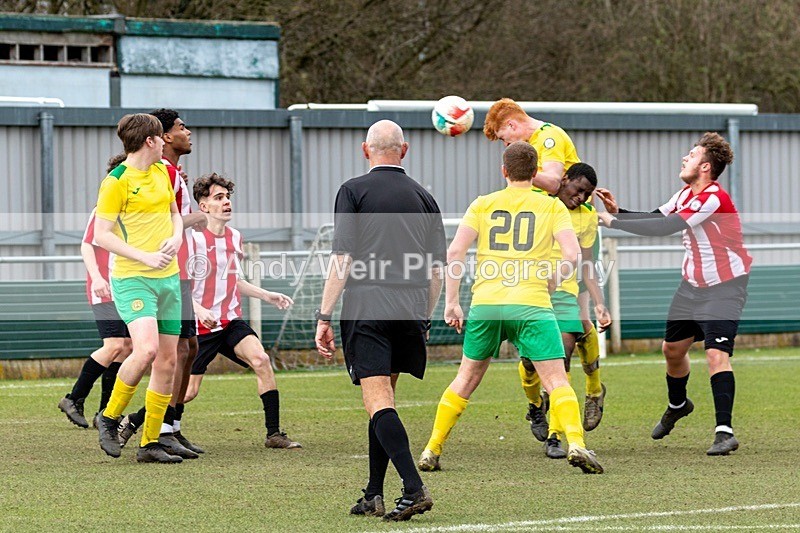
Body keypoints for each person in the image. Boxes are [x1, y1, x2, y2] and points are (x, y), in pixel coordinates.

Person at [417, 141, 604, 475]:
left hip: (487, 304)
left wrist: (452, 303)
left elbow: (455, 253)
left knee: (465, 378)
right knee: (556, 380)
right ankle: (576, 443)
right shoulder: (551, 207)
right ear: (535, 173)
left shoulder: (483, 204)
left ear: (504, 170)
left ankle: (432, 448)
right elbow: (573, 256)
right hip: (531, 304)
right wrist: (553, 278)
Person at [314, 120, 446, 521]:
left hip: (368, 306)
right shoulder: (425, 197)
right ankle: (373, 493)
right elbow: (438, 270)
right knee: (382, 402)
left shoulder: (353, 190)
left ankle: (414, 487)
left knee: (377, 402)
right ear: (403, 150)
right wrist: (424, 316)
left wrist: (323, 315)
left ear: (364, 149)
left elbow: (343, 258)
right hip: (408, 308)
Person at [595, 132, 752, 456]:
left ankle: (724, 431)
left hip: (725, 287)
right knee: (671, 350)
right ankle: (678, 405)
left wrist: (611, 222)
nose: (685, 159)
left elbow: (667, 227)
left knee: (715, 354)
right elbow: (657, 218)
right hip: (691, 287)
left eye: (691, 155)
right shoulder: (684, 194)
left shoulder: (712, 198)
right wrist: (620, 210)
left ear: (705, 167)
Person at [483, 98, 606, 438]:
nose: (507, 147)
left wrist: (518, 173)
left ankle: (560, 429)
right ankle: (537, 406)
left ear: (511, 126)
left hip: (560, 282)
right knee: (530, 360)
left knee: (563, 348)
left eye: (505, 140)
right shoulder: (546, 204)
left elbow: (552, 182)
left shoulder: (547, 138)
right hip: (532, 279)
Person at [179, 173, 301, 450]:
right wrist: (198, 310)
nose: (226, 203)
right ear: (203, 206)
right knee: (187, 393)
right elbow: (180, 285)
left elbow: (234, 279)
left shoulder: (235, 237)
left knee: (261, 359)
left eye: (228, 197)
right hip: (202, 327)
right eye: (218, 198)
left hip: (231, 321)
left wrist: (266, 294)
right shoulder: (192, 240)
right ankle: (135, 422)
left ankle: (274, 434)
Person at [93, 113, 185, 464]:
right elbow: (101, 236)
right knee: (145, 350)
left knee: (167, 361)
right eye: (162, 137)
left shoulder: (164, 171)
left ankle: (149, 443)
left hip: (169, 279)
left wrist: (176, 238)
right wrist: (144, 258)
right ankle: (110, 416)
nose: (166, 142)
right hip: (133, 278)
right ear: (150, 141)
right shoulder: (116, 181)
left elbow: (175, 214)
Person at [116, 109, 207, 459]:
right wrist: (202, 215)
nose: (188, 132)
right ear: (162, 137)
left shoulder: (170, 173)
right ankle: (147, 425)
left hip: (177, 270)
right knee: (166, 351)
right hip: (159, 272)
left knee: (187, 349)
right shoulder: (154, 174)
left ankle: (168, 425)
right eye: (182, 127)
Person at [57, 154, 132, 429]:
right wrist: (98, 278)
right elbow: (86, 244)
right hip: (105, 287)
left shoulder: (133, 210)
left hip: (126, 286)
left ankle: (105, 412)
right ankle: (74, 398)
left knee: (127, 349)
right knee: (114, 345)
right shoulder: (105, 206)